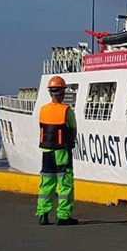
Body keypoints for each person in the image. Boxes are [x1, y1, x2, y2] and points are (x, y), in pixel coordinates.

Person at [37, 76, 78, 226]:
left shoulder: (43, 110)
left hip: (46, 152)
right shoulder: (67, 110)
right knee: (65, 183)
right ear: (62, 93)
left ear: (50, 93)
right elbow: (73, 130)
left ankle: (43, 214)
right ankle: (63, 216)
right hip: (62, 151)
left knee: (46, 183)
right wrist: (70, 143)